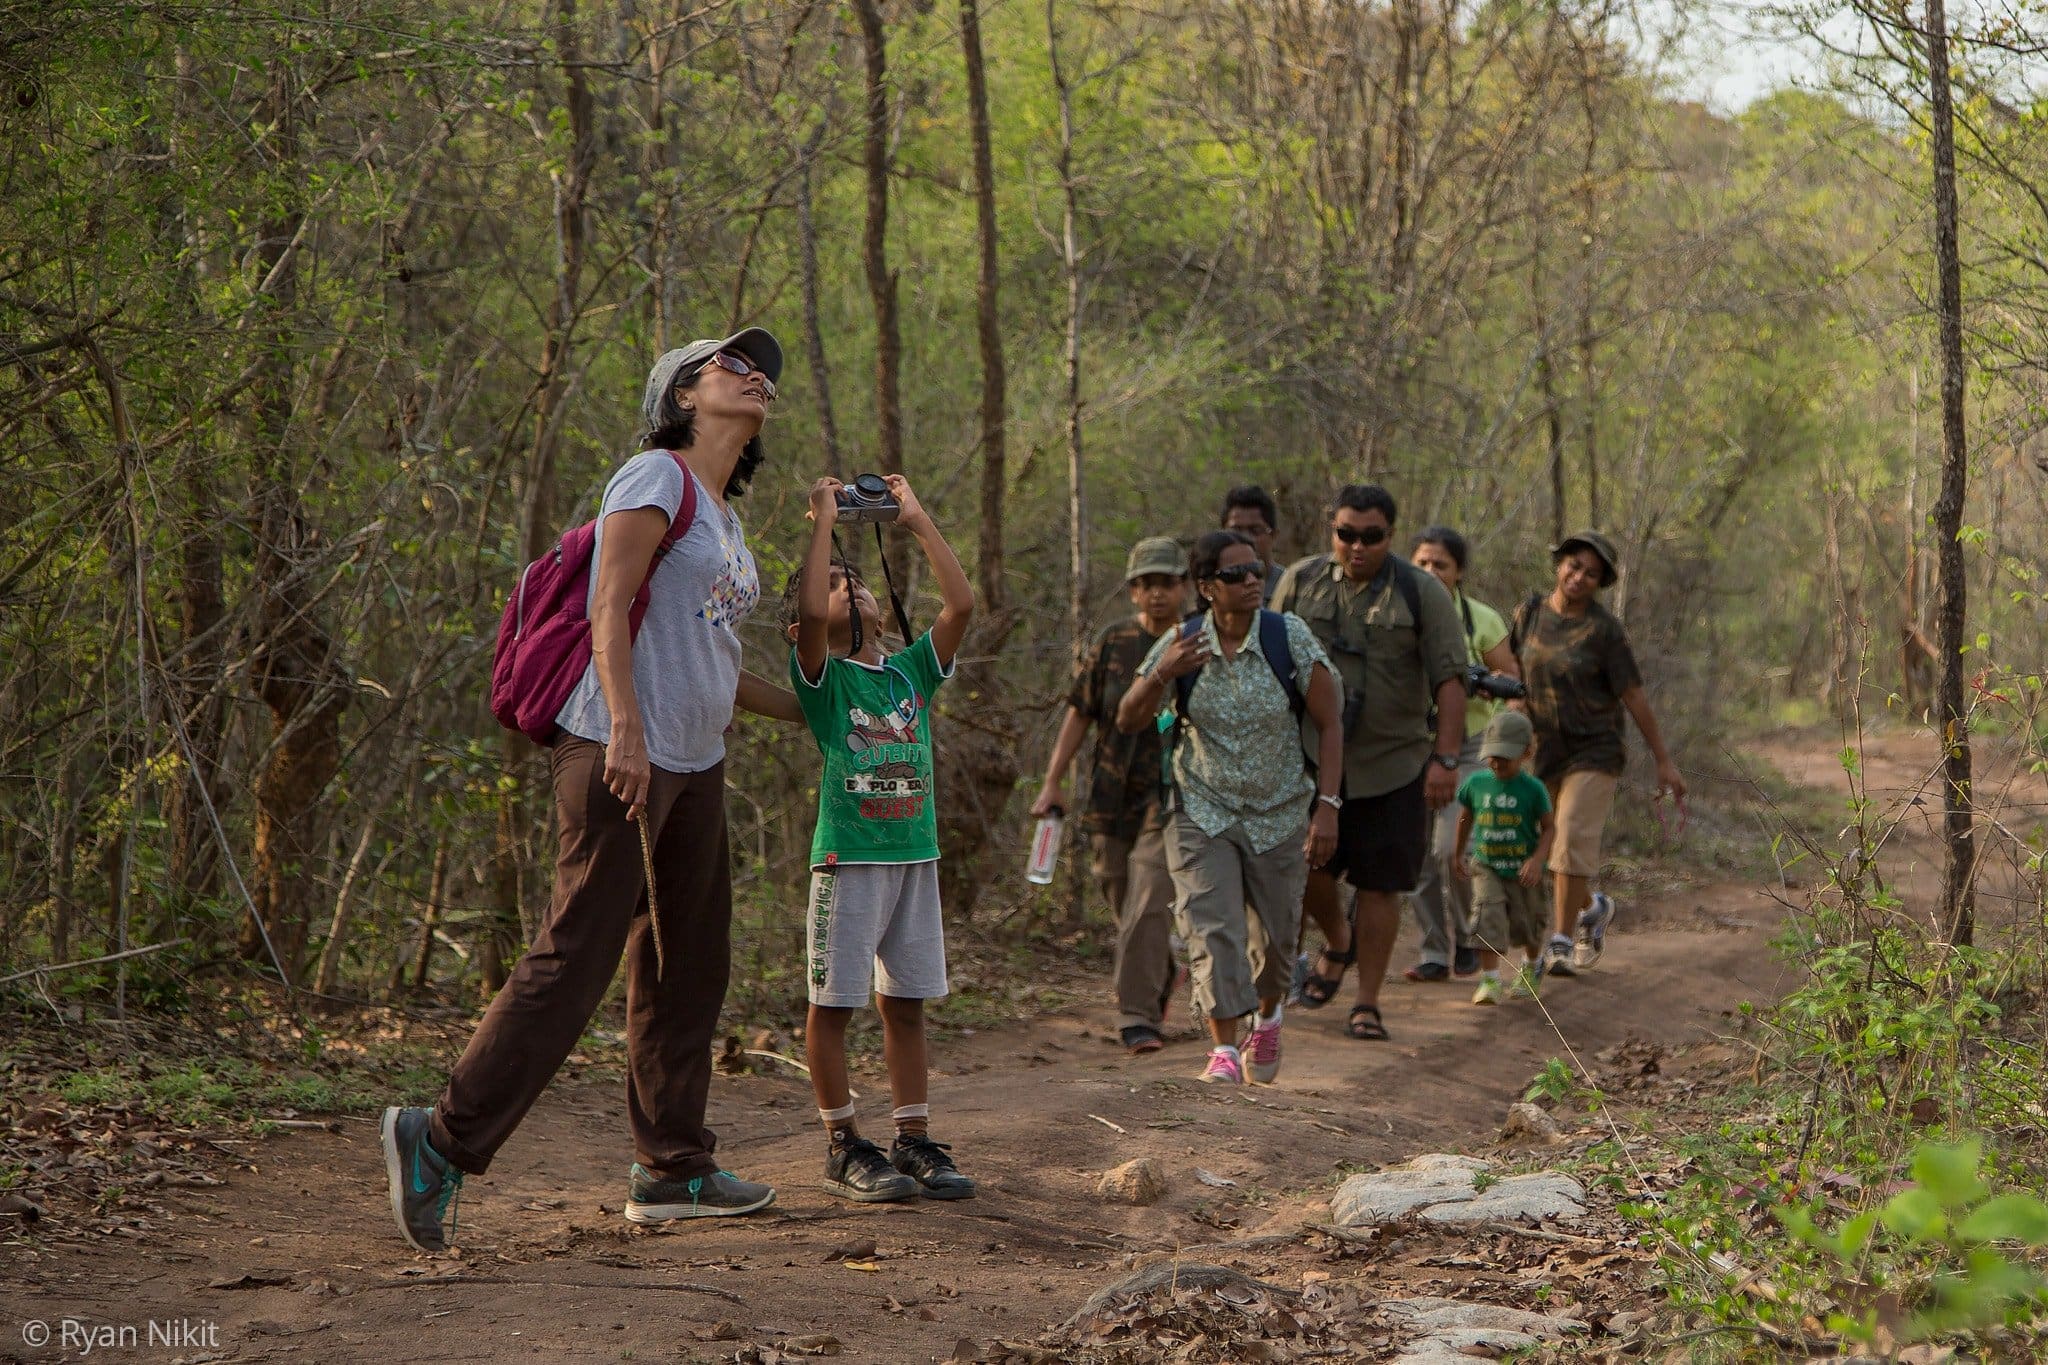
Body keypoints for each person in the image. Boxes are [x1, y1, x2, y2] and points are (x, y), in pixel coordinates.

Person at [382, 330, 804, 1253]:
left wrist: (811, 706)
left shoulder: (725, 519)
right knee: (576, 953)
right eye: (730, 364)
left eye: (760, 366)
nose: (754, 375)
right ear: (684, 395)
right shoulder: (655, 478)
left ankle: (674, 1169)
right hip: (620, 749)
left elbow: (717, 663)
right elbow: (606, 607)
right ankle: (440, 1141)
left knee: (688, 964)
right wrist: (623, 728)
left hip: (696, 762)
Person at [785, 471, 977, 1203]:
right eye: (832, 583)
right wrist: (822, 524)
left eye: (855, 578)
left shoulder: (908, 676)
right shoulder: (823, 679)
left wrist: (919, 521)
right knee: (834, 1003)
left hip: (913, 860)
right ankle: (842, 1142)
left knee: (907, 1002)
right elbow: (808, 609)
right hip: (849, 860)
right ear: (803, 624)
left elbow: (960, 604)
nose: (849, 586)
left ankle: (913, 1136)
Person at [1116, 531, 1343, 1085]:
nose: (1251, 583)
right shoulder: (1182, 642)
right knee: (1210, 924)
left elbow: (1330, 720)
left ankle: (1267, 1017)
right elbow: (1128, 717)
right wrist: (1161, 672)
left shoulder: (1287, 636)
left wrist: (1328, 806)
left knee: (1276, 938)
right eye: (1236, 575)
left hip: (1282, 812)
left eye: (1256, 572)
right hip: (1202, 809)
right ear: (1207, 587)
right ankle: (1222, 1047)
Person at [1270, 485, 1466, 1043]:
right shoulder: (1300, 581)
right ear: (1331, 529)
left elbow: (1450, 679)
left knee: (1382, 886)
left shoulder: (1421, 592)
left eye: (1371, 537)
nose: (1357, 547)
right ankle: (1336, 938)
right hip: (1307, 760)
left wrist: (1445, 759)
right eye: (1345, 534)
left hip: (1394, 762)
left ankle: (1367, 1001)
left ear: (1390, 535)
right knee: (1307, 865)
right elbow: (1268, 659)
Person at [1031, 537, 1188, 1054]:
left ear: (1184, 588)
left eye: (1167, 583)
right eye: (1148, 585)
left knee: (1147, 901)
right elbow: (1080, 711)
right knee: (1118, 891)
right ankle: (1163, 969)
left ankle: (1137, 1016)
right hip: (1110, 791)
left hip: (1169, 797)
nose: (1158, 594)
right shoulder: (1113, 641)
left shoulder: (1196, 644)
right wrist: (1053, 781)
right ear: (1134, 591)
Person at [1510, 530, 1686, 978]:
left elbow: (1634, 695)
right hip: (1541, 750)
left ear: (1600, 582)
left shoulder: (1604, 631)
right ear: (1559, 564)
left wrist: (1664, 760)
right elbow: (1510, 671)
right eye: (1574, 565)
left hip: (1595, 749)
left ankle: (1562, 942)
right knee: (1542, 845)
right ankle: (1593, 906)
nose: (1579, 576)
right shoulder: (1528, 614)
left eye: (1591, 573)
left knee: (1569, 835)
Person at [1403, 527, 1521, 983]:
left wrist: (1507, 734)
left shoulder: (1480, 620)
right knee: (1416, 853)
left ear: (1459, 572)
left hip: (1470, 742)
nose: (1431, 572)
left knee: (1448, 846)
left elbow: (1512, 682)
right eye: (1422, 563)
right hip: (1409, 743)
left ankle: (1471, 937)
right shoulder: (1393, 616)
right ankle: (1434, 950)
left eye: (1441, 565)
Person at [1454, 710, 1554, 1005]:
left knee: (1530, 924)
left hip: (1524, 869)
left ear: (1526, 753)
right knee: (1487, 915)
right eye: (1492, 757)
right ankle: (1490, 980)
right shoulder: (1476, 784)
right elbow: (1465, 819)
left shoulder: (1534, 789)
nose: (1496, 764)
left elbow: (1549, 828)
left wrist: (1537, 860)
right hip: (1487, 865)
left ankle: (1531, 967)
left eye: (1505, 758)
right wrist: (1458, 853)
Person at [1219, 485, 1283, 605]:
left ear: (1273, 535)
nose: (1245, 539)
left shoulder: (1288, 587)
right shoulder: (1214, 589)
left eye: (1255, 530)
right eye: (1235, 531)